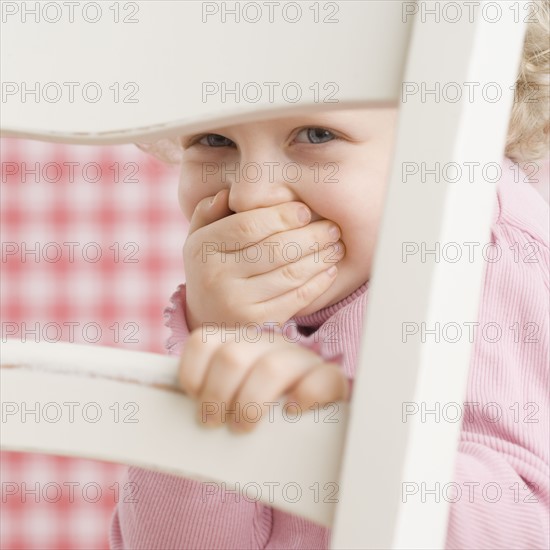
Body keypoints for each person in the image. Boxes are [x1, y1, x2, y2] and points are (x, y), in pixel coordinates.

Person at [109, 3, 549, 548]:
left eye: (315, 133)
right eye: (213, 139)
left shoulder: (485, 252)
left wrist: (328, 436)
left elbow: (523, 528)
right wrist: (215, 347)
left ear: (454, 125)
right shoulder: (226, 305)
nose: (251, 194)